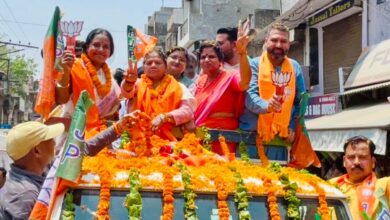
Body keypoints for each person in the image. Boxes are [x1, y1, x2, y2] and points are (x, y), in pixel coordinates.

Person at [243, 22, 312, 164]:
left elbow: (300, 102)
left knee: (276, 185)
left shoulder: (294, 67)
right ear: (266, 41)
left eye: (283, 41)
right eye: (274, 40)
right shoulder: (253, 64)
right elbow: (250, 97)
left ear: (289, 44)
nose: (279, 45)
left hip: (280, 141)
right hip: (251, 138)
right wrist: (268, 105)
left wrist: (292, 127)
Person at [56, 28, 121, 139]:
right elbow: (61, 100)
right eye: (96, 45)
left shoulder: (109, 75)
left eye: (106, 47)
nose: (101, 49)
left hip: (97, 135)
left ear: (110, 52)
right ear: (87, 47)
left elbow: (111, 111)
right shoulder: (75, 66)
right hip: (72, 133)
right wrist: (66, 72)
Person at [121, 47, 196, 141]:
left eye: (157, 63)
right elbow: (126, 93)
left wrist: (164, 117)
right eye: (149, 63)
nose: (153, 65)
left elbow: (187, 111)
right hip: (138, 140)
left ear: (165, 66)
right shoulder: (137, 83)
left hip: (169, 142)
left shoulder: (179, 87)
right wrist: (128, 82)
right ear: (144, 67)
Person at [194, 38, 251, 155]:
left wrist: (242, 53)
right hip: (199, 136)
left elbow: (245, 83)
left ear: (220, 60)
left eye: (211, 56)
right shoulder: (200, 81)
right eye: (203, 57)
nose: (206, 60)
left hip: (222, 137)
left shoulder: (230, 76)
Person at [0, 122, 64, 220]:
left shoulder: (36, 172)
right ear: (37, 151)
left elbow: (64, 161)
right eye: (50, 139)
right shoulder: (26, 194)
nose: (54, 142)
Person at [329, 136, 390, 220]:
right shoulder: (330, 186)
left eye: (362, 157)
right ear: (344, 161)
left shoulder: (385, 185)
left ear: (373, 162)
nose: (356, 162)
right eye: (351, 157)